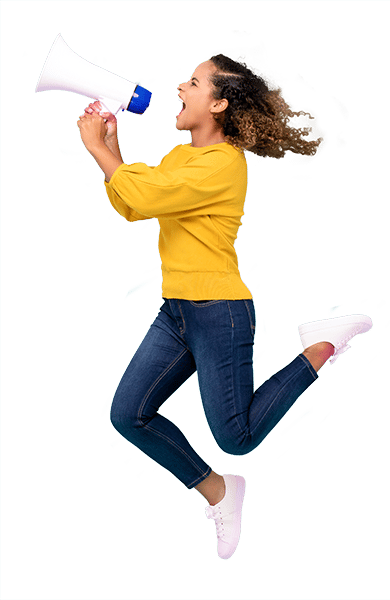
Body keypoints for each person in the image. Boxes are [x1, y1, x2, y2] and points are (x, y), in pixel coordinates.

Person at [77, 52, 373, 561]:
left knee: (236, 438)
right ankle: (219, 491)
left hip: (219, 311)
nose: (179, 87)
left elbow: (145, 197)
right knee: (129, 414)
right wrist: (110, 151)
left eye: (192, 81)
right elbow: (134, 204)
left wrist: (100, 152)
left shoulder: (225, 164)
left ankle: (321, 346)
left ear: (217, 103)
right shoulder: (178, 158)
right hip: (178, 312)